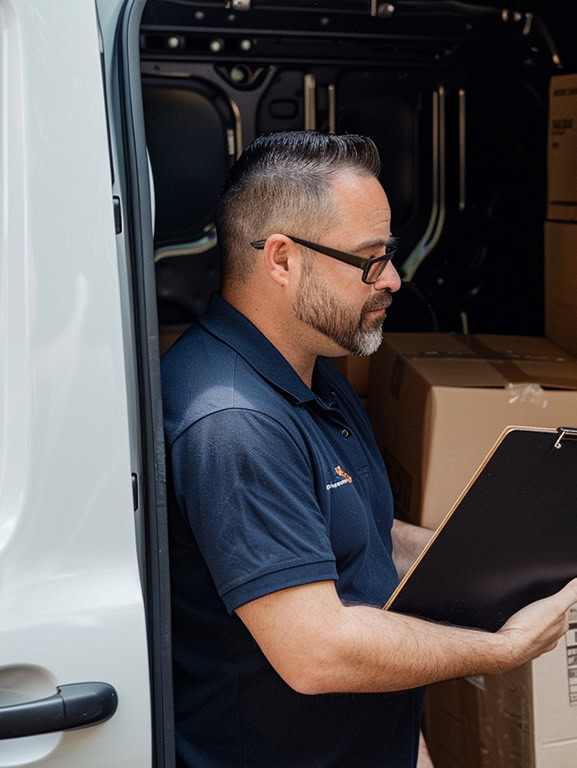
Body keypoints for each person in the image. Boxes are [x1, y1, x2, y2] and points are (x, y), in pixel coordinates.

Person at [162, 131, 577, 768]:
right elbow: (318, 651)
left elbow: (364, 540)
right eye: (370, 260)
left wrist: (508, 561)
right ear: (282, 259)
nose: (393, 280)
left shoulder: (311, 369)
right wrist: (503, 648)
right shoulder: (233, 424)